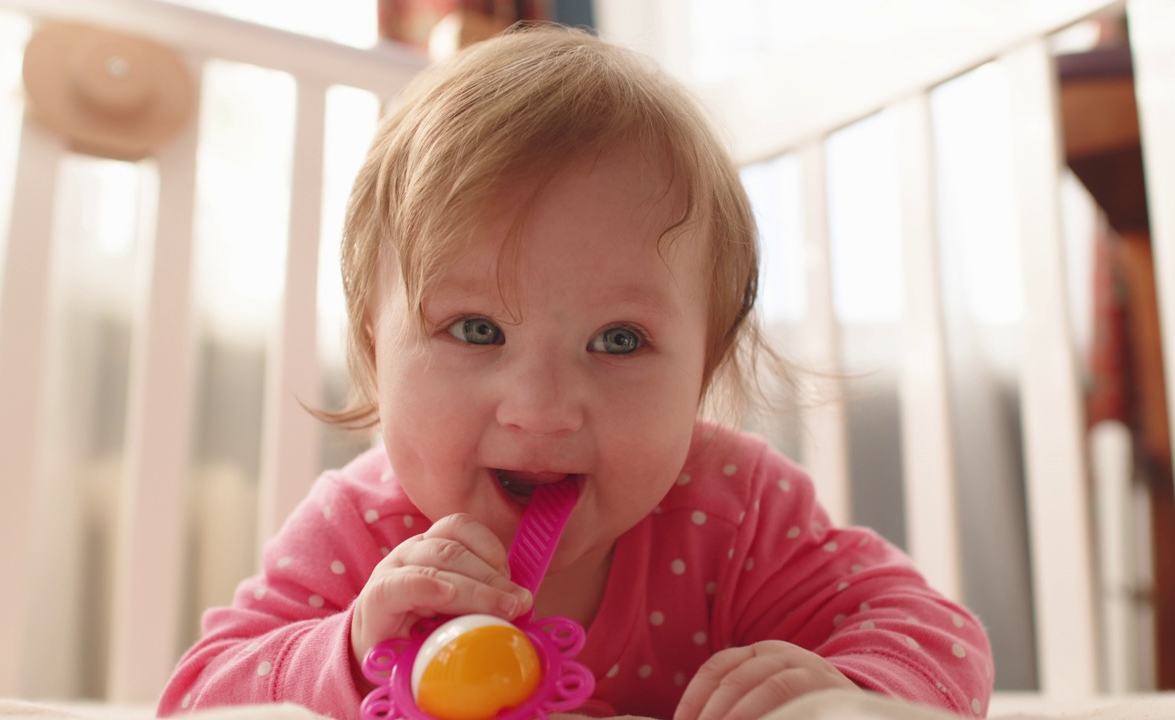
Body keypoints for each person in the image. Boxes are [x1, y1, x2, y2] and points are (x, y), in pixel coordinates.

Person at [157, 24, 993, 720]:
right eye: (476, 328)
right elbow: (197, 695)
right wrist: (349, 651)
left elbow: (935, 636)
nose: (543, 411)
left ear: (700, 372)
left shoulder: (735, 514)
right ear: (378, 353)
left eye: (620, 341)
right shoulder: (359, 532)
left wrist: (846, 690)